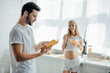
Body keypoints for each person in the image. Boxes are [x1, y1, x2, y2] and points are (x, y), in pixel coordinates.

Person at [9, 2, 51, 73]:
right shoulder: (16, 31)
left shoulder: (29, 29)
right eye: (34, 16)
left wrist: (41, 45)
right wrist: (39, 54)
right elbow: (18, 57)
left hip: (31, 70)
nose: (36, 19)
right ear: (25, 13)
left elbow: (33, 49)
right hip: (21, 71)